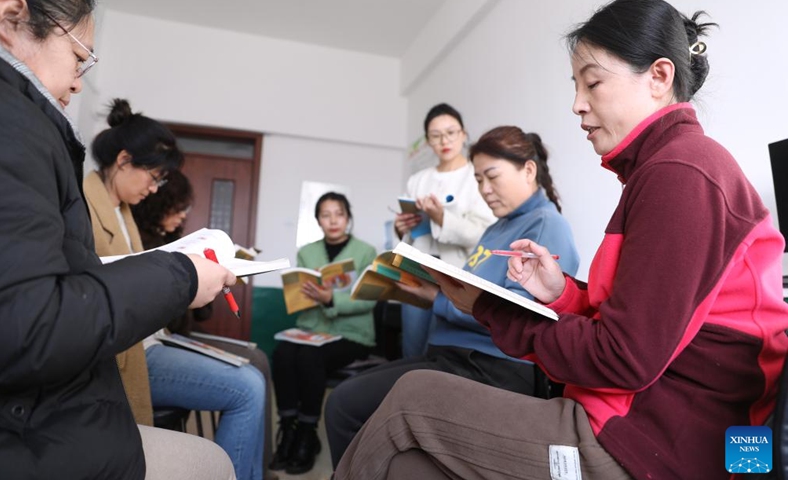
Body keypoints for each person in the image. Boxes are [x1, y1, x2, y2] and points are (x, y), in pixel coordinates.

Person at [334, 1, 788, 479]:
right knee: (406, 465)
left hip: (659, 441)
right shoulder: (667, 171)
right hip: (646, 419)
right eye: (576, 87)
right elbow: (643, 326)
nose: (577, 104)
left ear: (658, 77)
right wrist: (565, 294)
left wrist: (490, 309)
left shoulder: (681, 173)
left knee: (412, 397)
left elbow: (625, 357)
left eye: (592, 83)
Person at [0, 1, 237, 479]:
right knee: (240, 397)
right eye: (79, 57)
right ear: (11, 17)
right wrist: (181, 273)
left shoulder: (112, 202)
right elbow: (38, 319)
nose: (79, 80)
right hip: (62, 396)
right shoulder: (12, 127)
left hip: (70, 390)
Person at [325, 125, 579, 468]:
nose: (484, 190)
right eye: (478, 180)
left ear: (528, 170)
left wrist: (437, 298)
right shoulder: (496, 228)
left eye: (492, 176)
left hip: (489, 364)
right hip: (452, 355)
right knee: (348, 398)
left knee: (344, 404)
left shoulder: (546, 226)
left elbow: (521, 315)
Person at [85, 98, 267, 480]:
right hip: (128, 351)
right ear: (122, 160)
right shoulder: (86, 203)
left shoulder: (121, 210)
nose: (154, 189)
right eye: (152, 177)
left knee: (252, 376)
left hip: (149, 340)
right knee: (247, 388)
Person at [132, 168, 277, 480]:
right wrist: (188, 286)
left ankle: (258, 471)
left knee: (258, 363)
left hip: (169, 337)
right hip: (156, 341)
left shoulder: (171, 239)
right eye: (178, 208)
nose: (183, 217)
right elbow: (158, 311)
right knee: (250, 380)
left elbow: (194, 315)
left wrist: (207, 283)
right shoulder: (143, 241)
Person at [270, 192, 378, 475]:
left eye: (338, 214)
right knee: (282, 353)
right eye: (325, 215)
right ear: (317, 220)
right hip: (310, 328)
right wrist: (304, 293)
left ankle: (307, 433)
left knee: (309, 356)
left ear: (348, 217)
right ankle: (289, 430)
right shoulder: (308, 251)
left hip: (351, 334)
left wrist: (330, 298)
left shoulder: (366, 252)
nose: (333, 220)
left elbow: (369, 299)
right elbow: (300, 296)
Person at [394, 103, 496, 357]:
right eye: (436, 136)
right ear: (428, 141)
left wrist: (441, 217)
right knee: (412, 346)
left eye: (451, 132)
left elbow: (483, 234)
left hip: (457, 274)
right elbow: (411, 234)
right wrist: (400, 229)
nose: (444, 141)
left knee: (442, 347)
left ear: (463, 134)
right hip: (418, 271)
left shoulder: (477, 176)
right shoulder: (417, 180)